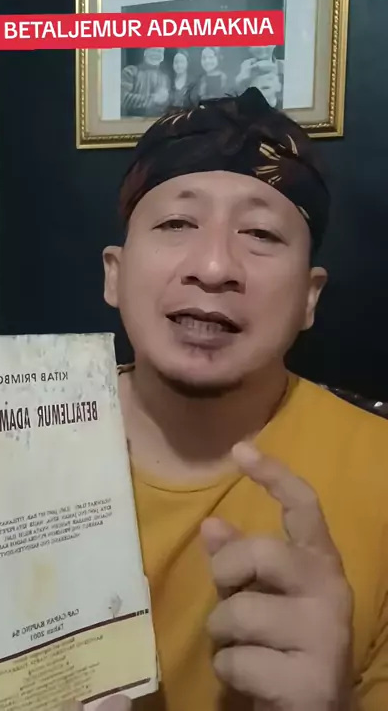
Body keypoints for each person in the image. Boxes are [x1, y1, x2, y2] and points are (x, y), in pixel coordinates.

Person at [81, 88, 388, 711]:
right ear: (115, 273)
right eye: (176, 224)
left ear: (309, 297)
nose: (215, 265)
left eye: (261, 233)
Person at [121, 48, 171, 117]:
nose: (156, 54)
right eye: (153, 50)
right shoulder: (130, 71)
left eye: (159, 51)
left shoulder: (165, 78)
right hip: (131, 121)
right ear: (145, 53)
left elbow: (167, 106)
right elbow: (123, 98)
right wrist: (153, 99)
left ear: (163, 56)